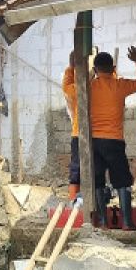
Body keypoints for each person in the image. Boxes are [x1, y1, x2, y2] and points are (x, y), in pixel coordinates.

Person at [64, 46, 136, 229]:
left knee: (98, 180)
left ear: (95, 70)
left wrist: (71, 68)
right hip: (114, 141)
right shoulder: (120, 85)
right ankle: (127, 222)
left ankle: (102, 221)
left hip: (92, 141)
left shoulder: (87, 87)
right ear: (113, 68)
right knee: (122, 180)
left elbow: (68, 90)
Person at [61, 53, 81, 201]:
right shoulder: (74, 87)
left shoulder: (91, 82)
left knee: (82, 167)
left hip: (90, 133)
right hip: (79, 132)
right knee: (76, 167)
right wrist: (71, 68)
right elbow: (66, 87)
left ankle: (78, 197)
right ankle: (74, 197)